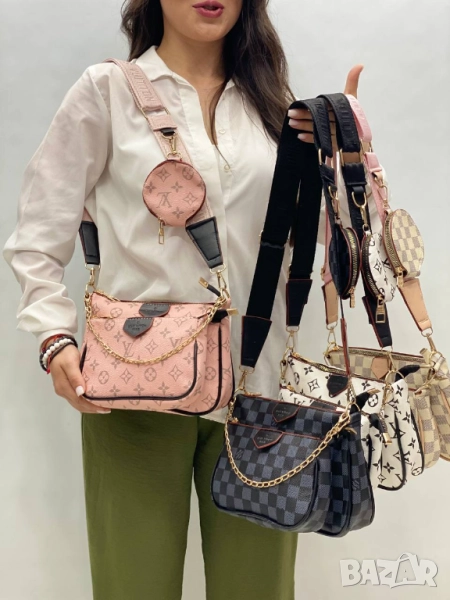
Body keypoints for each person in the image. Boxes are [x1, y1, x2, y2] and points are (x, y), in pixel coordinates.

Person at [3, 1, 365, 598]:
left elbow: (328, 243)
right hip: (136, 387)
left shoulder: (273, 107)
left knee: (258, 588)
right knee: (133, 586)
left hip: (261, 393)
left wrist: (349, 159)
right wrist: (54, 337)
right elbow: (38, 232)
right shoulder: (107, 92)